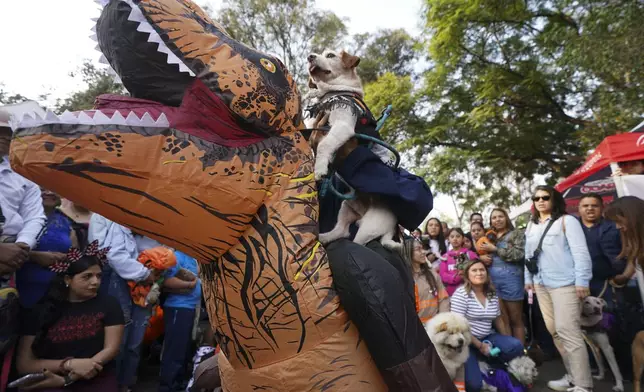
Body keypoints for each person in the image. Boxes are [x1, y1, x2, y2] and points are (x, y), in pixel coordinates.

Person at [15, 246, 124, 391]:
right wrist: (69, 365)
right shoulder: (42, 310)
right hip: (50, 377)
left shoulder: (109, 304)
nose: (95, 282)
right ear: (68, 279)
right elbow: (25, 364)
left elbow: (111, 349)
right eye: (87, 276)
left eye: (99, 276)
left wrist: (67, 379)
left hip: (96, 375)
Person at [524, 185, 593, 392]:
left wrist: (582, 281)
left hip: (566, 283)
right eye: (536, 198)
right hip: (541, 284)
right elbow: (528, 256)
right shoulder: (531, 225)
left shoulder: (567, 221)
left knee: (568, 331)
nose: (541, 201)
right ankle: (572, 377)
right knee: (555, 332)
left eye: (545, 197)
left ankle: (584, 384)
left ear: (554, 199)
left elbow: (581, 253)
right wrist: (529, 279)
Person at [0, 103, 47, 390]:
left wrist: (21, 247)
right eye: (0, 131)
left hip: (11, 262)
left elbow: (35, 216)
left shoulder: (22, 175)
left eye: (10, 131)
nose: (5, 136)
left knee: (5, 340)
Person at [88, 215, 156, 392]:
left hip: (143, 287)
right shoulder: (109, 217)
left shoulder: (151, 223)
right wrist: (143, 273)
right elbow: (112, 254)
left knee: (136, 339)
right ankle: (111, 384)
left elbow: (158, 253)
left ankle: (126, 383)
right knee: (118, 336)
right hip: (117, 281)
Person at [451, 260, 523, 392]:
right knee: (474, 385)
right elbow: (459, 327)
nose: (479, 273)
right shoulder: (461, 294)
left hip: (487, 336)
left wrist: (505, 340)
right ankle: (479, 365)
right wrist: (479, 345)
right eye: (474, 270)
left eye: (482, 270)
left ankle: (491, 366)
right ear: (467, 275)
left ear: (487, 273)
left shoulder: (491, 293)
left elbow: (497, 319)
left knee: (515, 346)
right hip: (466, 342)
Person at [16, 189, 78, 308]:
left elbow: (75, 255)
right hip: (22, 288)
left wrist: (67, 258)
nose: (49, 193)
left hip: (56, 291)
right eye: (43, 189)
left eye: (54, 189)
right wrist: (34, 256)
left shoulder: (66, 222)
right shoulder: (17, 218)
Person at [478, 208, 526, 345]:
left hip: (512, 280)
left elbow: (519, 254)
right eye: (494, 217)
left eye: (500, 216)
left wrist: (495, 249)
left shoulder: (516, 234)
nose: (497, 219)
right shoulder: (488, 237)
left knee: (515, 320)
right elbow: (480, 254)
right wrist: (482, 257)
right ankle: (510, 354)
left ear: (506, 218)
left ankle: (520, 355)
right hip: (493, 282)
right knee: (502, 320)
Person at [159, 250, 200, 392]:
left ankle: (178, 383)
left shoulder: (194, 257)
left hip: (190, 308)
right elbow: (166, 281)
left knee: (183, 349)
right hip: (178, 307)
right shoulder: (176, 256)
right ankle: (168, 386)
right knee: (174, 350)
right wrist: (190, 285)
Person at [577, 194, 626, 300]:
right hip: (579, 283)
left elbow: (629, 251)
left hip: (609, 283)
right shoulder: (571, 228)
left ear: (602, 208)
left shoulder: (615, 226)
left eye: (594, 206)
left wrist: (624, 276)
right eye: (585, 206)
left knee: (611, 315)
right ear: (579, 209)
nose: (590, 208)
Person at [400, 238, 449, 323]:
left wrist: (442, 321)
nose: (423, 252)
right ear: (408, 252)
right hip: (416, 328)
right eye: (418, 249)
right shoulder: (402, 278)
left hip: (436, 326)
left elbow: (443, 299)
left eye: (422, 248)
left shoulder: (432, 274)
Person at [440, 228, 478, 296]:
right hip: (451, 293)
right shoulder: (445, 256)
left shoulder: (470, 254)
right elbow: (443, 275)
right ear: (448, 239)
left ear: (463, 238)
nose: (455, 239)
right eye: (452, 237)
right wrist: (457, 278)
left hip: (469, 292)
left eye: (458, 236)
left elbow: (477, 269)